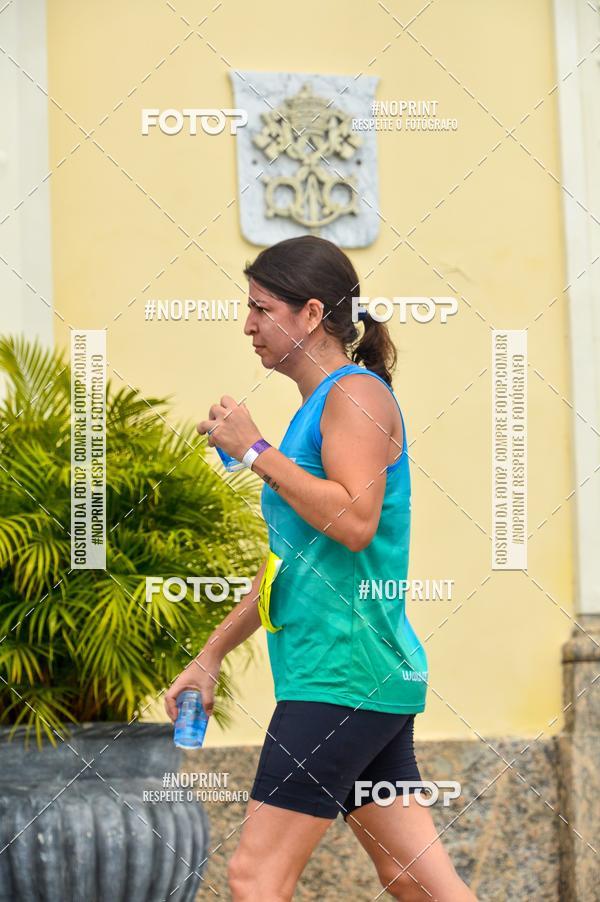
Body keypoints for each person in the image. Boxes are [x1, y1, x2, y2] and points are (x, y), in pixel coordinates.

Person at [165, 236, 477, 901]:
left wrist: (255, 450)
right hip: (358, 676)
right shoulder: (318, 410)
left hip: (341, 677)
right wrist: (211, 654)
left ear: (311, 314)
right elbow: (288, 564)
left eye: (261, 308)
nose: (247, 325)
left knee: (254, 877)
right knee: (417, 882)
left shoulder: (357, 396)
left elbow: (356, 523)